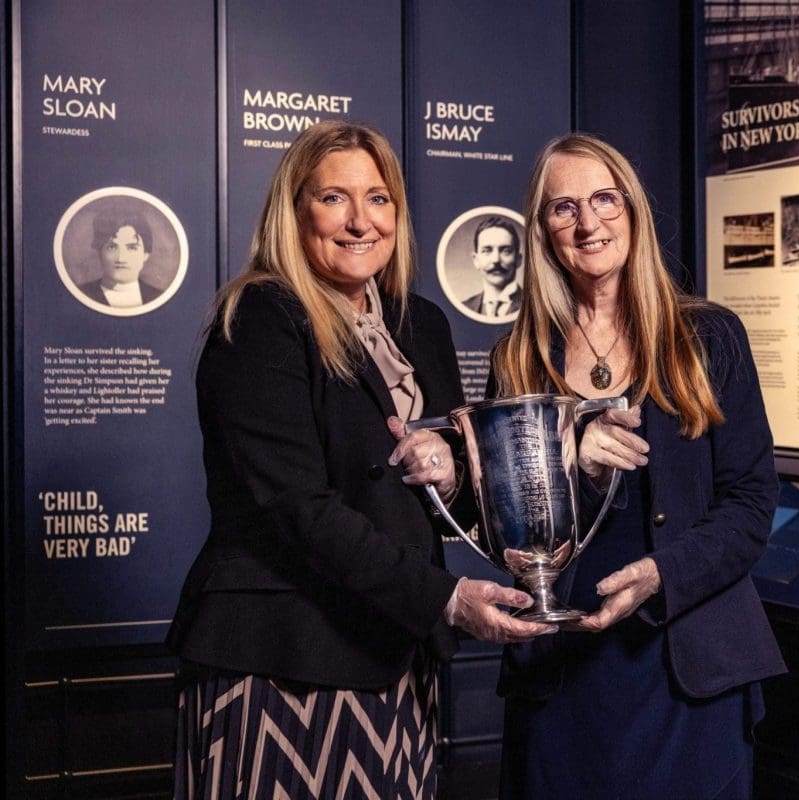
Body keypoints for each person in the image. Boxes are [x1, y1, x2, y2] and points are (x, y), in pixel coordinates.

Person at [167, 120, 553, 800]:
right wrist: (447, 599)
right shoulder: (262, 318)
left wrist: (458, 470)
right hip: (284, 661)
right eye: (333, 198)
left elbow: (453, 502)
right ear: (294, 212)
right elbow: (296, 510)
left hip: (395, 654)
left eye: (378, 199)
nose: (359, 222)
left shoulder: (421, 323)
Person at [489, 132, 786, 799]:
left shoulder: (707, 337)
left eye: (604, 199)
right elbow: (506, 534)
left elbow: (750, 504)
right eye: (564, 208)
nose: (588, 222)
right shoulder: (518, 358)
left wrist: (659, 575)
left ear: (633, 210)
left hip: (688, 668)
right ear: (542, 232)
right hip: (565, 670)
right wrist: (570, 460)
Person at [79, 208, 164, 307]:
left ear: (145, 254)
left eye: (132, 248)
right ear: (99, 252)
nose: (121, 258)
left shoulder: (159, 296)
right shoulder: (81, 294)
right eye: (112, 247)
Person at [463, 215, 523, 317]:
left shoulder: (533, 305)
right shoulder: (466, 307)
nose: (496, 260)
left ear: (518, 259)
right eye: (487, 250)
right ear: (476, 260)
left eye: (506, 251)